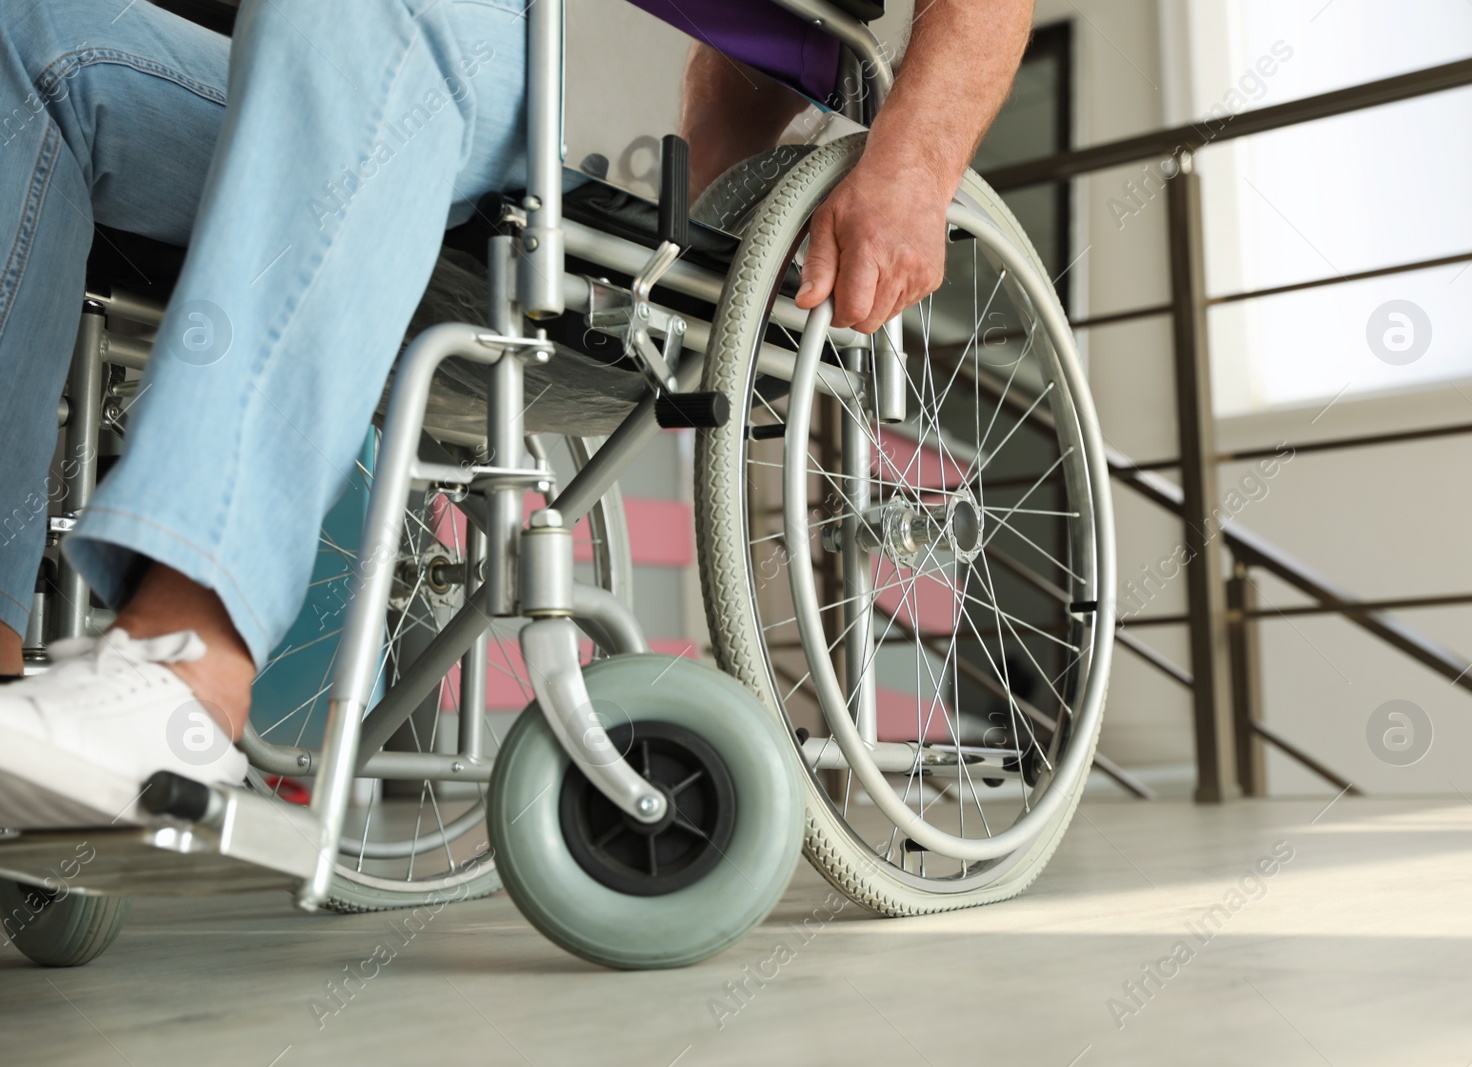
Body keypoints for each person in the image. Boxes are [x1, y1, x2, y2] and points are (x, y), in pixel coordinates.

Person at [0, 0, 1033, 826]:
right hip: (373, 79)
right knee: (33, 38)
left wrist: (911, 169)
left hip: (568, 94)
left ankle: (187, 664)